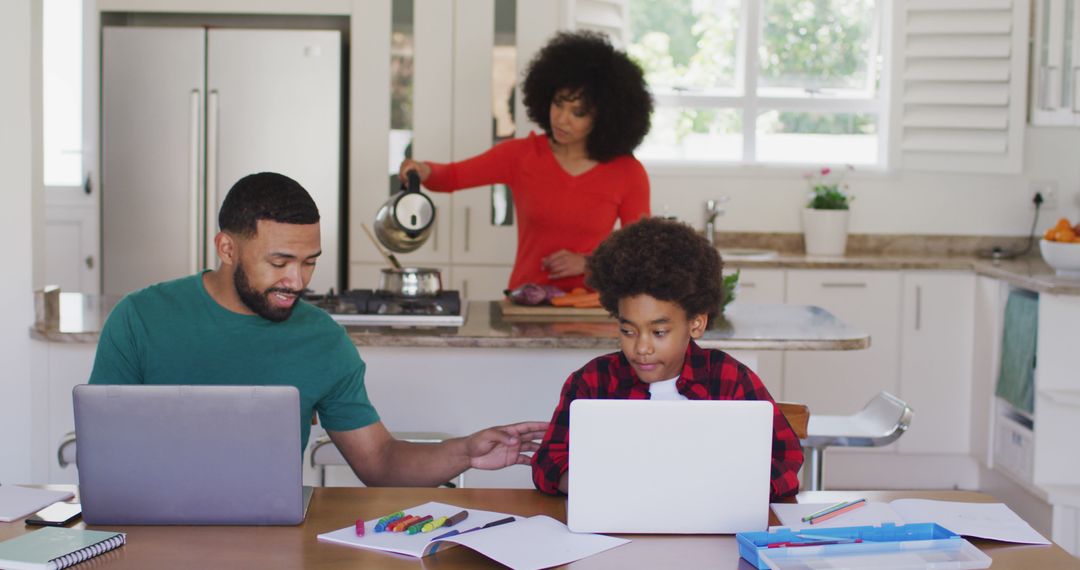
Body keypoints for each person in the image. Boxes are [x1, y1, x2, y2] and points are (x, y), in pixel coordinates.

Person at [89, 172, 547, 486]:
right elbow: (104, 453)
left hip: (270, 544)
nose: (298, 281)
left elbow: (379, 461)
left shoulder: (322, 339)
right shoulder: (140, 318)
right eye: (279, 262)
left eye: (309, 262)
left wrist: (463, 452)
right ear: (226, 248)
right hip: (148, 534)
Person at [530, 218, 804, 500]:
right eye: (628, 330)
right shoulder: (593, 380)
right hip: (616, 532)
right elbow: (548, 460)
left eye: (659, 331)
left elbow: (787, 461)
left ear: (696, 324)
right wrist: (588, 483)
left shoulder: (729, 379)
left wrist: (720, 485)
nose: (641, 347)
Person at [399, 30, 653, 291]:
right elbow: (452, 177)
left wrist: (589, 264)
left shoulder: (628, 173)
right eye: (558, 103)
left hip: (591, 309)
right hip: (525, 305)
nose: (561, 119)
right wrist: (424, 170)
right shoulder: (521, 155)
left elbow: (640, 252)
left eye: (578, 113)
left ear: (604, 117)